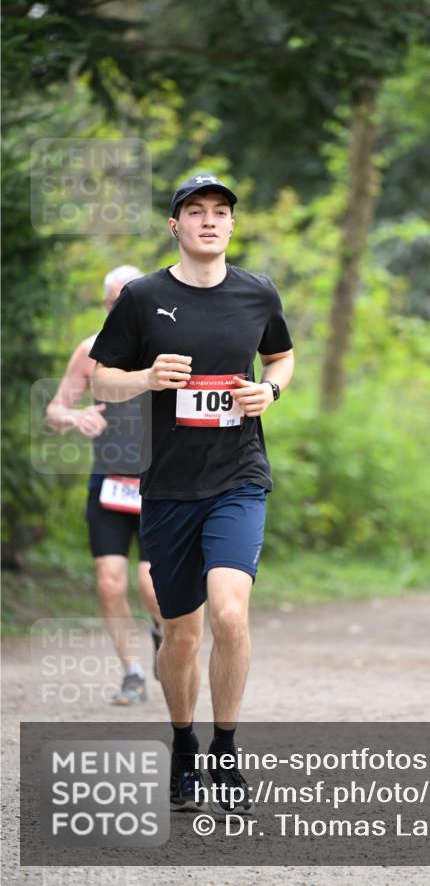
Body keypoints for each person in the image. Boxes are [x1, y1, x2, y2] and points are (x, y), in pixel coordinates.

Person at [89, 174, 294, 815]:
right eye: (195, 211)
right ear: (175, 226)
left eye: (221, 212)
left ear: (232, 225)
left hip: (239, 476)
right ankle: (183, 745)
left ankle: (225, 749)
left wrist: (272, 390)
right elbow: (100, 378)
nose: (209, 220)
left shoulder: (257, 293)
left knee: (230, 613)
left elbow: (282, 357)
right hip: (170, 487)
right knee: (181, 635)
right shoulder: (143, 298)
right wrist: (147, 377)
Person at [46, 265, 164, 706]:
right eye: (115, 301)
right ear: (105, 305)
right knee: (109, 584)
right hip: (110, 483)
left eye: (130, 298)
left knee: (151, 586)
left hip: (160, 484)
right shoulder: (91, 350)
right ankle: (132, 672)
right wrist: (75, 416)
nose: (123, 307)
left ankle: (162, 635)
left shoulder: (165, 348)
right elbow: (56, 410)